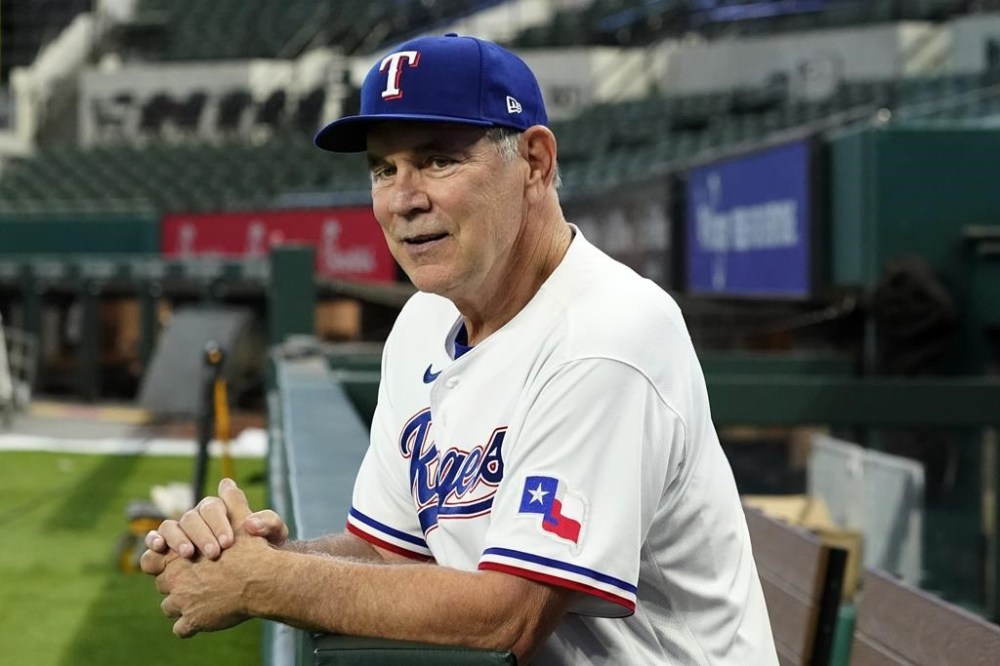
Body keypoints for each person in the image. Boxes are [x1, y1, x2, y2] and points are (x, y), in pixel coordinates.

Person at [141, 33, 778, 665]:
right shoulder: (423, 321)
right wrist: (264, 556)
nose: (403, 199)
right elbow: (395, 552)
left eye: (439, 160)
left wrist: (264, 582)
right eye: (383, 169)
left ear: (535, 161)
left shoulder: (608, 333)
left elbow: (510, 616)